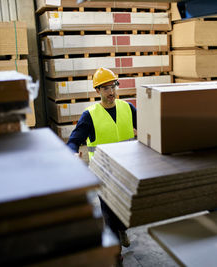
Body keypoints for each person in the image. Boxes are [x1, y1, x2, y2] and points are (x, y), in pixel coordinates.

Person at [67, 67, 136, 252]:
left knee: (125, 210)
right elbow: (73, 141)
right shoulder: (90, 116)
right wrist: (72, 153)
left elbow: (148, 126)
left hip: (127, 170)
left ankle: (122, 229)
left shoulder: (128, 108)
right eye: (105, 88)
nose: (111, 92)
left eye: (113, 86)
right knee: (108, 214)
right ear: (97, 91)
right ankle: (115, 254)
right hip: (103, 173)